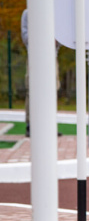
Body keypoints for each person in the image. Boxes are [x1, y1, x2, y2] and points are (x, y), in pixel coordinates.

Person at [21, 9, 61, 137]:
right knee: (31, 90)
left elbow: (59, 38)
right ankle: (30, 125)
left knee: (52, 89)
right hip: (34, 57)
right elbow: (26, 37)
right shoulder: (28, 13)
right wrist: (43, 35)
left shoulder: (54, 13)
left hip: (51, 57)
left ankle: (50, 124)